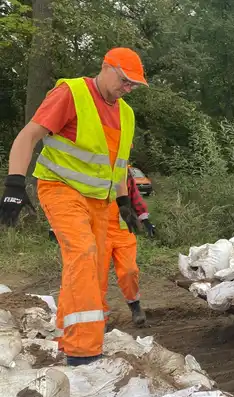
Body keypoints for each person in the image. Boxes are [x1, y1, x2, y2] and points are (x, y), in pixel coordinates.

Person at [0, 47, 148, 366]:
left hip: (99, 202)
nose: (128, 88)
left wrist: (124, 204)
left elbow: (118, 165)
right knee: (82, 253)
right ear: (106, 67)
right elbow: (27, 137)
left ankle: (68, 333)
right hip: (60, 189)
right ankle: (83, 351)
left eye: (134, 85)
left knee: (91, 270)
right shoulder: (72, 93)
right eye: (125, 81)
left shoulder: (126, 114)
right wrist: (14, 184)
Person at [101, 168, 155, 327]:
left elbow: (134, 195)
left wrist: (144, 219)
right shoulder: (90, 167)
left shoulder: (123, 169)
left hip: (123, 230)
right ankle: (100, 320)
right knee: (97, 277)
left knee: (129, 271)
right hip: (98, 232)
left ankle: (135, 306)